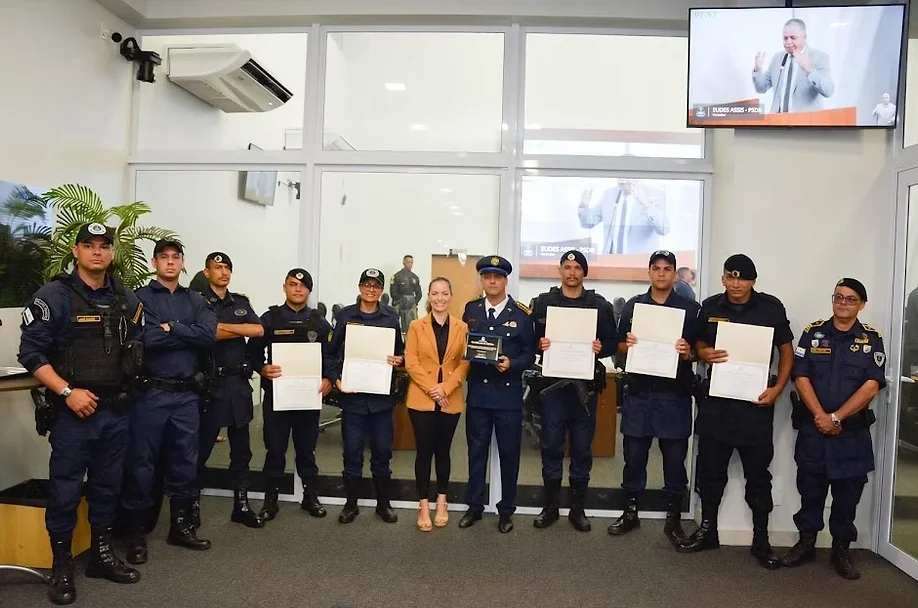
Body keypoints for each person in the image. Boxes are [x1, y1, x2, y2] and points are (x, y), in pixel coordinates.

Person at [18, 223, 143, 605]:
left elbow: (137, 347)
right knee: (66, 490)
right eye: (88, 245)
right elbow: (31, 354)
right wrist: (67, 392)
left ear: (112, 252)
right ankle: (61, 565)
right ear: (76, 251)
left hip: (115, 411)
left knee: (108, 486)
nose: (97, 252)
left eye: (104, 246)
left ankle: (101, 556)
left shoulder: (126, 298)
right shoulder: (53, 296)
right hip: (73, 413)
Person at [678, 254, 794, 570]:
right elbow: (697, 344)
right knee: (710, 472)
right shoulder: (710, 306)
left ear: (753, 281)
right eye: (730, 277)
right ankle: (708, 531)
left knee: (758, 476)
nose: (736, 283)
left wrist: (778, 389)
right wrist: (704, 352)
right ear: (723, 279)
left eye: (742, 278)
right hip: (716, 404)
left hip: (755, 406)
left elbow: (786, 352)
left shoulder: (770, 308)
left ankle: (761, 540)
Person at [780, 278, 886, 580]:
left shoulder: (871, 339)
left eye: (851, 299)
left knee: (847, 497)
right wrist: (821, 416)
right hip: (814, 431)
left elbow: (871, 385)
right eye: (838, 297)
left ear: (862, 305)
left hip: (850, 435)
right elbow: (800, 376)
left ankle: (841, 550)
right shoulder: (813, 333)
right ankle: (806, 544)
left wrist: (836, 417)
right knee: (810, 491)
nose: (843, 303)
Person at [122, 239, 217, 565]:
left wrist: (173, 328)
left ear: (183, 262)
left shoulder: (196, 299)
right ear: (154, 263)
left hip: (186, 396)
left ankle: (180, 527)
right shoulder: (139, 298)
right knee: (142, 465)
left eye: (176, 257)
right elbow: (145, 339)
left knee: (185, 463)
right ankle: (135, 535)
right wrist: (187, 332)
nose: (170, 262)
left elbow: (209, 335)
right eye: (164, 257)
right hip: (151, 394)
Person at [608, 251, 700, 544]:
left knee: (674, 463)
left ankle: (673, 519)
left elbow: (698, 352)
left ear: (674, 274)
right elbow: (619, 346)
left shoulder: (690, 309)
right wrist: (628, 345)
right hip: (640, 394)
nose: (661, 274)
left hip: (674, 396)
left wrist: (688, 352)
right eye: (656, 269)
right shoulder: (634, 306)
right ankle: (630, 512)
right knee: (634, 459)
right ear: (649, 272)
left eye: (667, 269)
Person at [530, 250, 617, 532]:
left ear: (584, 273)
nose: (571, 272)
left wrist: (601, 348)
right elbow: (529, 339)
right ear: (560, 270)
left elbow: (612, 343)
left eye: (577, 268)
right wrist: (539, 344)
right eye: (567, 267)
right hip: (553, 390)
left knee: (581, 449)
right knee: (551, 447)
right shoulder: (543, 303)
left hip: (584, 391)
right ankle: (550, 507)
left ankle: (578, 509)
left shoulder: (599, 305)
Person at [248, 268, 335, 521]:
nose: (298, 289)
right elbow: (252, 353)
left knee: (307, 450)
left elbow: (331, 356)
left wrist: (329, 378)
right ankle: (271, 500)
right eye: (292, 284)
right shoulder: (270, 319)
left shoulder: (319, 322)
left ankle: (310, 496)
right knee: (275, 450)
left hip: (307, 399)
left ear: (309, 290)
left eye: (302, 285)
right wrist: (262, 368)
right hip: (278, 397)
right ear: (284, 287)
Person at [459, 256, 535, 533]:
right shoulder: (471, 310)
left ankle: (506, 510)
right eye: (487, 276)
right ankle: (474, 507)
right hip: (478, 395)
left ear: (505, 281)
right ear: (482, 280)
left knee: (509, 455)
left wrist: (512, 364)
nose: (492, 281)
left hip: (507, 398)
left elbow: (530, 354)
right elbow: (463, 344)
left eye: (498, 277)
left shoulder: (521, 314)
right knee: (476, 453)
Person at [329, 268, 405, 524]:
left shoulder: (391, 317)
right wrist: (336, 379)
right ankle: (351, 504)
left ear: (381, 290)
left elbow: (400, 353)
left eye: (376, 286)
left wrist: (399, 360)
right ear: (360, 286)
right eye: (367, 285)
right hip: (353, 400)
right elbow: (330, 353)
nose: (371, 290)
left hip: (381, 402)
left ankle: (383, 504)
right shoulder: (345, 316)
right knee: (352, 454)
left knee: (382, 454)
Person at [195, 252, 264, 529]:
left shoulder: (240, 302)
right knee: (200, 451)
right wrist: (237, 329)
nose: (223, 272)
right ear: (207, 272)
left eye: (227, 268)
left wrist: (219, 328)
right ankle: (191, 505)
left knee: (242, 451)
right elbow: (205, 334)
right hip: (210, 386)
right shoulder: (197, 302)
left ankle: (241, 505)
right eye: (217, 267)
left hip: (237, 385)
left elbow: (258, 330)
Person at [404, 277, 470, 531]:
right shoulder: (415, 326)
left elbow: (465, 362)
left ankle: (442, 501)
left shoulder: (462, 327)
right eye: (435, 293)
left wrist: (446, 388)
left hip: (449, 399)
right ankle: (423, 505)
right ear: (428, 297)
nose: (439, 298)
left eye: (444, 293)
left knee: (443, 451)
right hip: (421, 399)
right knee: (424, 452)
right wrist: (434, 389)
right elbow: (411, 362)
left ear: (451, 296)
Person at [753, 18, 834, 114]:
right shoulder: (777, 58)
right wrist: (758, 69)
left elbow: (828, 91)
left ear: (804, 37)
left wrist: (810, 70)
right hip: (778, 121)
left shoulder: (819, 57)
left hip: (805, 121)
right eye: (785, 38)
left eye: (793, 38)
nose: (788, 42)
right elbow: (761, 88)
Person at [578, 179, 669, 255]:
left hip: (640, 264)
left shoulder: (655, 194)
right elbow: (588, 223)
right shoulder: (609, 194)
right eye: (619, 176)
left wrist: (646, 204)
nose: (622, 180)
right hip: (611, 262)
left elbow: (663, 230)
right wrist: (584, 203)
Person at [391, 254, 423, 335]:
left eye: (411, 262)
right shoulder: (396, 276)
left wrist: (414, 302)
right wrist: (402, 301)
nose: (410, 264)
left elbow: (419, 293)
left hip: (411, 304)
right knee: (393, 323)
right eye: (408, 262)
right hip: (399, 303)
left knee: (413, 326)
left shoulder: (415, 277)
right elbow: (393, 292)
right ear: (403, 263)